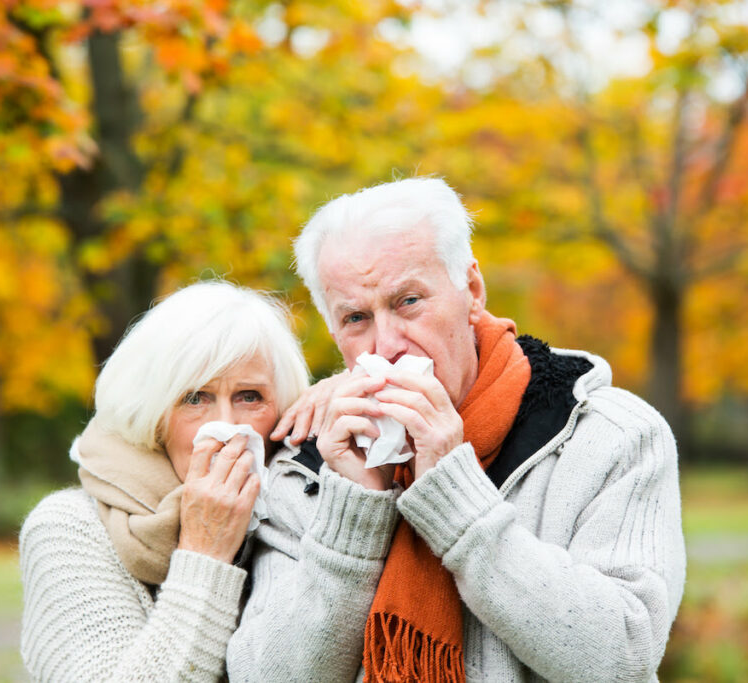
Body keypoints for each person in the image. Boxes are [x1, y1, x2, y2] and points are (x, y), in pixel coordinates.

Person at [227, 177, 686, 682]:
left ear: (471, 291)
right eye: (356, 318)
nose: (386, 345)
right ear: (335, 333)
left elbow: (623, 655)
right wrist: (351, 515)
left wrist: (453, 496)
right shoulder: (307, 468)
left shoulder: (610, 436)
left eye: (408, 302)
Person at [19, 281, 312, 681]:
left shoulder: (297, 508)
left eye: (249, 397)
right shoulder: (67, 528)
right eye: (195, 398)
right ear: (153, 413)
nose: (225, 426)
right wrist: (205, 553)